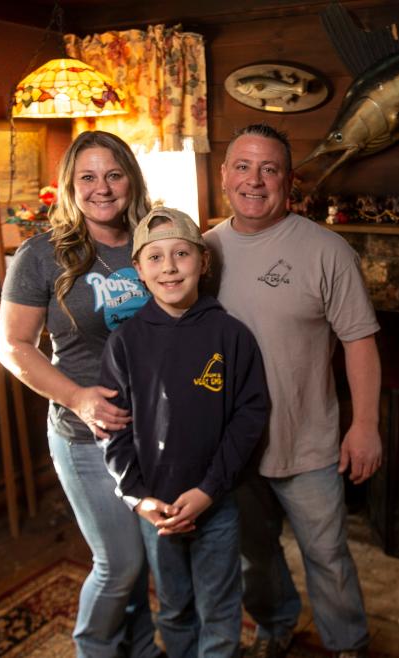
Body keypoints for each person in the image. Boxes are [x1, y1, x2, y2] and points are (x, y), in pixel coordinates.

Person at [204, 124, 383, 658]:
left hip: (307, 441)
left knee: (327, 555)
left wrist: (366, 425)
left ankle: (348, 644)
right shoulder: (200, 251)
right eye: (242, 166)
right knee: (252, 556)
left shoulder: (327, 251)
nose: (253, 180)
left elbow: (359, 342)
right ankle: (274, 624)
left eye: (269, 169)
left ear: (288, 181)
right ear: (224, 176)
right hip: (233, 448)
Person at [0, 130, 160, 658]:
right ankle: (93, 649)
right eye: (87, 176)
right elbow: (12, 345)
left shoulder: (153, 241)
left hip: (157, 433)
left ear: (130, 178)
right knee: (120, 564)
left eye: (113, 174)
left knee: (153, 564)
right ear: (70, 184)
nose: (102, 188)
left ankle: (138, 650)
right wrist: (78, 397)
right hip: (87, 438)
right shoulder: (42, 254)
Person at [99, 206, 268, 658]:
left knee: (219, 608)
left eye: (181, 254)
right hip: (157, 509)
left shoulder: (231, 335)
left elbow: (250, 417)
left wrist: (210, 489)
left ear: (203, 262)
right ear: (138, 269)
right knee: (173, 608)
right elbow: (113, 430)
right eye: (154, 257)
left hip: (215, 503)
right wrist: (137, 497)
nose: (169, 267)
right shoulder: (124, 344)